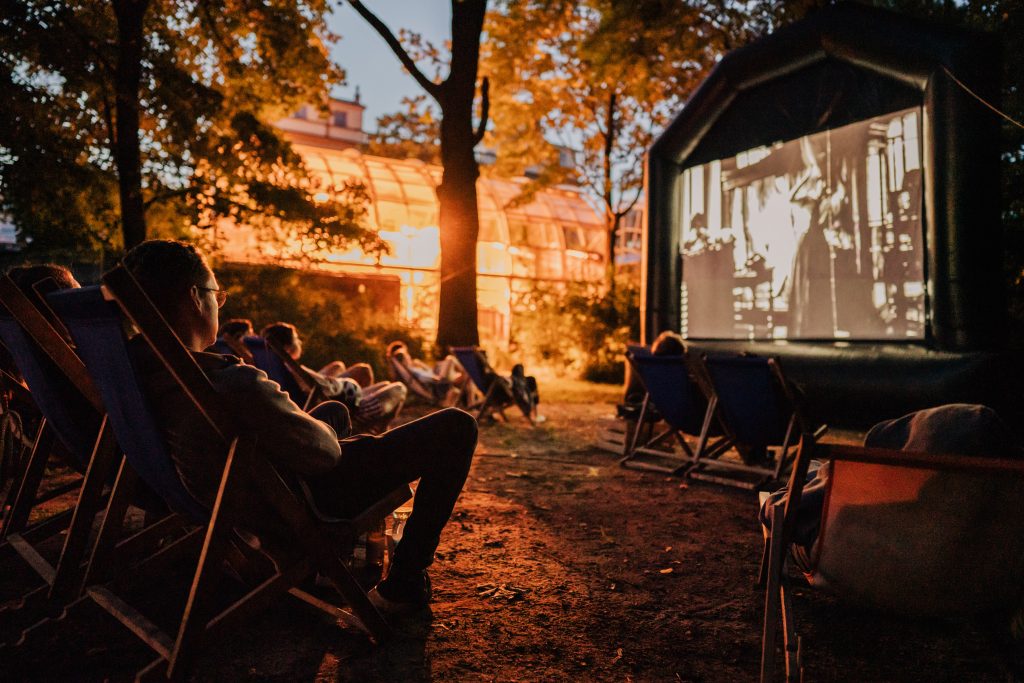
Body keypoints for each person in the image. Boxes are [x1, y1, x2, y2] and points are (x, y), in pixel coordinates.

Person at [122, 239, 478, 612]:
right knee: (456, 426)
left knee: (335, 411)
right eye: (216, 293)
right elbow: (324, 455)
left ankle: (332, 560)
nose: (218, 302)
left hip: (229, 488)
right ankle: (404, 584)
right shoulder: (229, 382)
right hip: (296, 497)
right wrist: (317, 433)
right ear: (195, 297)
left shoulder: (136, 370)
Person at [758, 403, 1022, 550]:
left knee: (817, 475)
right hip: (957, 581)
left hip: (861, 567)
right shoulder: (998, 522)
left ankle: (817, 472)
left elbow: (783, 515)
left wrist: (775, 500)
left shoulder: (867, 496)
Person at [261, 322, 405, 434]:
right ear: (287, 347)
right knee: (399, 388)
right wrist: (345, 383)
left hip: (335, 401)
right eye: (296, 339)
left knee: (384, 383)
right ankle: (374, 433)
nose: (299, 342)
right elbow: (326, 387)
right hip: (350, 412)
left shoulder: (275, 365)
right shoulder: (293, 370)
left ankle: (377, 430)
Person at [385, 340, 472, 406]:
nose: (409, 356)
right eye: (406, 355)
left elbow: (429, 371)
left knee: (465, 376)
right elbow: (429, 378)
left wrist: (420, 364)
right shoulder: (411, 371)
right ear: (402, 359)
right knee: (451, 360)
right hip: (439, 382)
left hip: (438, 377)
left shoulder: (413, 368)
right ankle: (471, 402)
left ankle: (470, 401)